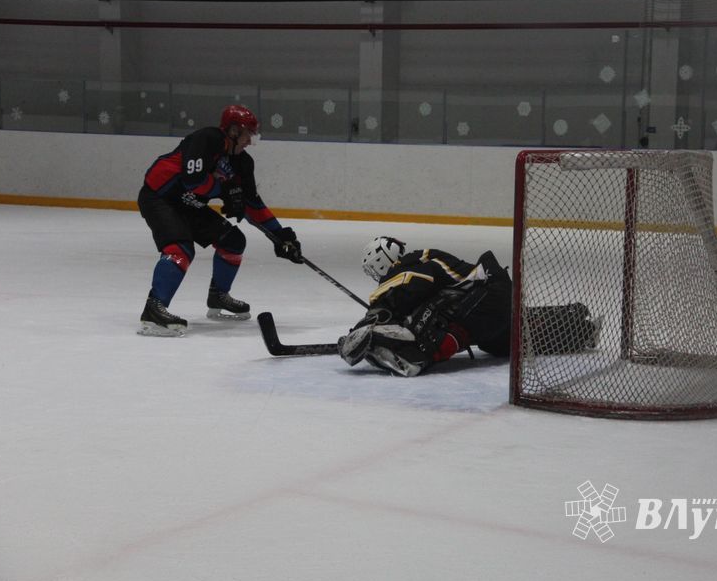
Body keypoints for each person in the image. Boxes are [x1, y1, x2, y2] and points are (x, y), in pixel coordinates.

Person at [137, 104, 303, 337]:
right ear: (234, 131)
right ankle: (154, 309)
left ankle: (218, 296)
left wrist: (280, 235)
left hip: (188, 204)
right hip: (160, 197)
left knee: (233, 241)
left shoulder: (243, 164)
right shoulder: (207, 139)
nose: (249, 142)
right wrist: (224, 190)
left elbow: (251, 204)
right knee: (180, 248)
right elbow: (193, 179)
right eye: (248, 135)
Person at [337, 237, 516, 377]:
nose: (376, 276)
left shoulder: (406, 265)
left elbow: (405, 288)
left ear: (380, 260)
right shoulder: (421, 260)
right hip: (495, 314)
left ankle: (417, 355)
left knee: (435, 314)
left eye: (373, 269)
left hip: (490, 293)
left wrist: (374, 316)